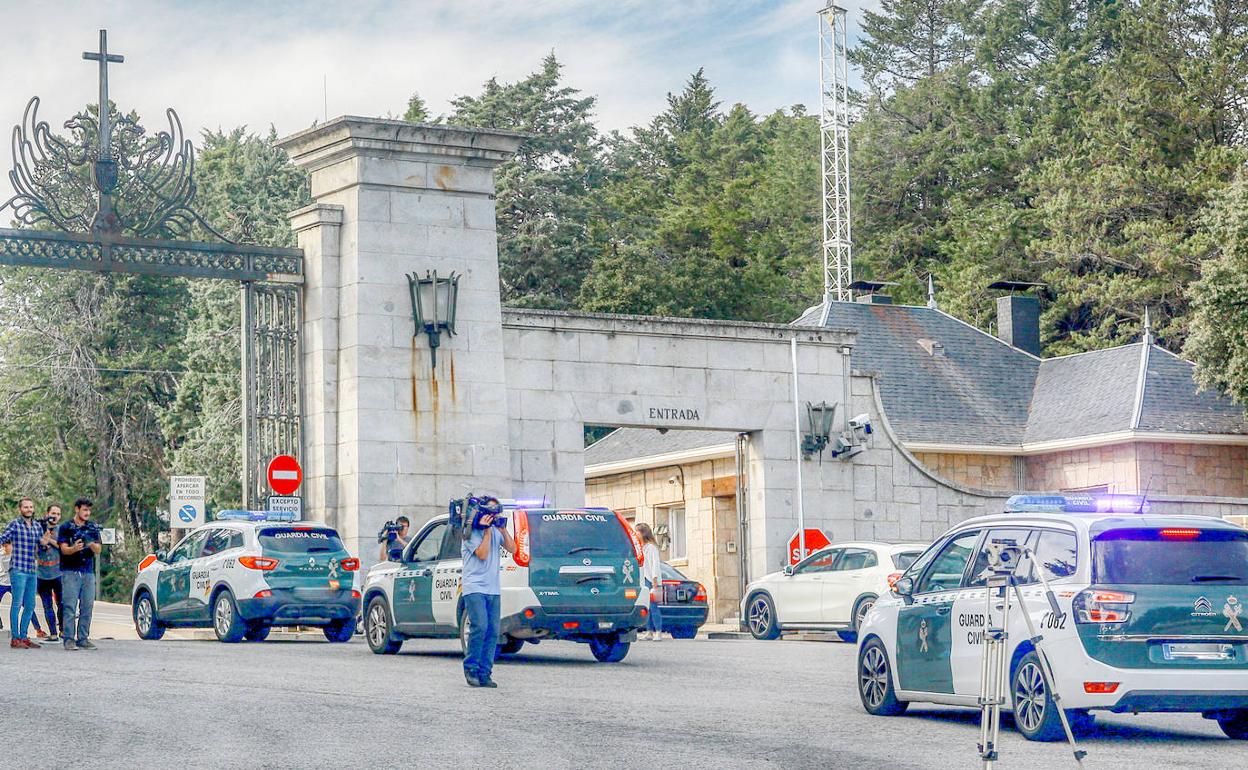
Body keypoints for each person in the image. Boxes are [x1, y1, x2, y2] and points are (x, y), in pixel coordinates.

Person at [460, 498, 515, 688]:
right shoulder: (470, 533)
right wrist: (486, 531)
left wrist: (502, 529)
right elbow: (482, 554)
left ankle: (485, 672)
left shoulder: (495, 531)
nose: (493, 515)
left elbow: (513, 548)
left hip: (493, 588)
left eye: (496, 512)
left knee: (493, 631)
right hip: (474, 587)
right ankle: (471, 668)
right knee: (480, 626)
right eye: (490, 511)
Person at [0, 497, 47, 648]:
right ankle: (15, 638)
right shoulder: (14, 524)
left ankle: (24, 636)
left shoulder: (37, 527)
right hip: (18, 569)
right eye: (25, 507)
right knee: (17, 604)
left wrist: (45, 543)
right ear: (20, 509)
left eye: (31, 507)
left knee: (30, 605)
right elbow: (3, 539)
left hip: (32, 570)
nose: (28, 509)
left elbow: (41, 547)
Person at [58, 498, 101, 651]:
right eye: (84, 510)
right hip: (70, 571)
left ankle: (83, 638)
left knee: (87, 606)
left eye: (89, 510)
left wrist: (90, 542)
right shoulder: (66, 527)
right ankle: (69, 639)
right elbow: (63, 549)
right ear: (77, 509)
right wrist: (74, 548)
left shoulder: (92, 527)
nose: (87, 513)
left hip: (88, 571)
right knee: (69, 606)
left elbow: (98, 550)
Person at [35, 504, 63, 643]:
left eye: (58, 514)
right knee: (47, 605)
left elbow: (63, 547)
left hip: (58, 573)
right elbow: (33, 549)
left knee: (61, 603)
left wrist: (49, 540)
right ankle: (53, 633)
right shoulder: (38, 529)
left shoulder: (62, 530)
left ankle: (63, 630)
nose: (55, 516)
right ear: (47, 514)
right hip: (42, 574)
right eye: (53, 513)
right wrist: (41, 542)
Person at [636, 523, 663, 641]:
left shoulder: (651, 547)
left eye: (637, 532)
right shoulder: (641, 547)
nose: (636, 534)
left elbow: (655, 564)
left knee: (654, 607)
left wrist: (655, 580)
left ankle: (658, 631)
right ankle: (649, 631)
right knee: (646, 607)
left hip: (652, 580)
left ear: (643, 533)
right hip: (643, 580)